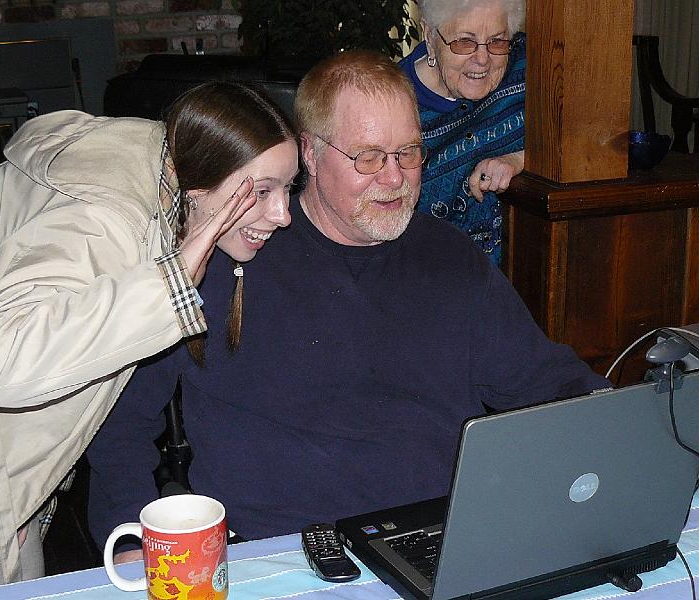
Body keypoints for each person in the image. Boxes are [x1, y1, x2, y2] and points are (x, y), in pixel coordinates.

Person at [87, 51, 609, 557]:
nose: (394, 176)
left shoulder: (450, 259)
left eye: (408, 152)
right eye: (368, 156)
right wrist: (133, 539)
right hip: (278, 555)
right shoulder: (228, 255)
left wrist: (630, 422)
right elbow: (121, 424)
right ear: (310, 155)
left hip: (442, 540)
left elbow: (545, 382)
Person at [0, 81, 298, 599]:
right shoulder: (108, 212)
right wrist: (171, 285)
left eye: (289, 188)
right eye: (261, 191)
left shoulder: (157, 193)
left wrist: (27, 494)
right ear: (199, 182)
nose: (283, 214)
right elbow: (7, 366)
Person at [398, 0, 526, 265]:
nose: (482, 59)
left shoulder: (527, 70)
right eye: (464, 42)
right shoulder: (394, 105)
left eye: (497, 42)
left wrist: (520, 159)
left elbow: (583, 140)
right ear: (430, 36)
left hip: (517, 279)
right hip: (422, 280)